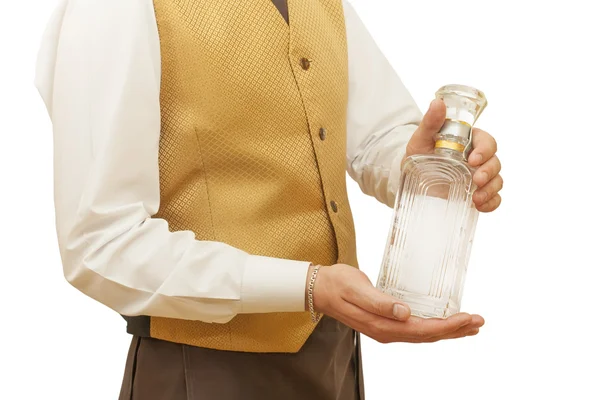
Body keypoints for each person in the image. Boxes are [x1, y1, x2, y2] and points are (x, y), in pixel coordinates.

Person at [34, 0, 503, 399]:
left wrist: (425, 165)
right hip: (205, 369)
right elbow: (99, 241)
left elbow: (373, 134)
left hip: (337, 358)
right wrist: (306, 285)